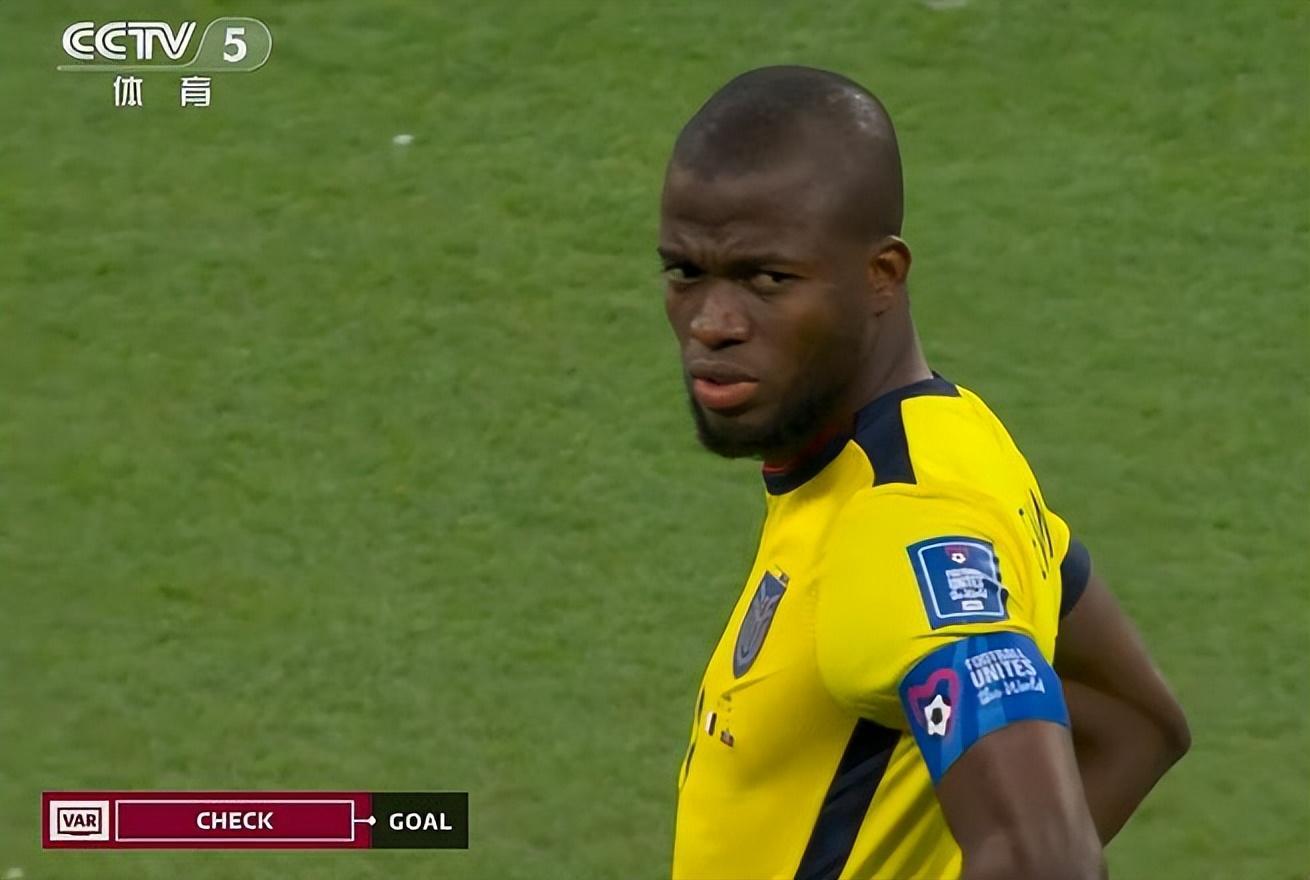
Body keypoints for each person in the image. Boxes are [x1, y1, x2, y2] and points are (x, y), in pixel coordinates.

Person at [661, 66, 1190, 880]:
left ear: (882, 276)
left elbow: (1047, 860)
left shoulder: (905, 523)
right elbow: (1125, 720)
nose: (713, 323)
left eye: (769, 279)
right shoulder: (949, 439)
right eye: (685, 273)